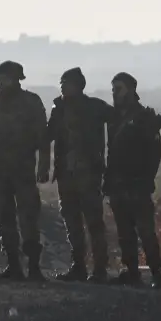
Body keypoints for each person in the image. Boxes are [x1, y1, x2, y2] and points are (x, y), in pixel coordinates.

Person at [0, 60, 51, 280]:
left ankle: (34, 267)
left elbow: (42, 137)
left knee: (29, 219)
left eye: (5, 79)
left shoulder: (31, 102)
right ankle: (13, 265)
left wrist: (43, 166)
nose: (0, 83)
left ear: (17, 80)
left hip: (24, 170)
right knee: (4, 219)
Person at [45, 66, 111, 282]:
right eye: (61, 83)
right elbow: (47, 135)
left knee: (94, 222)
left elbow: (118, 118)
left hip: (89, 173)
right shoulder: (59, 109)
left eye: (67, 83)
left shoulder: (95, 107)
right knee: (71, 222)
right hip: (66, 173)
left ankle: (99, 269)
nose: (63, 87)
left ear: (79, 86)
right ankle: (79, 266)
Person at [105, 71, 161, 288]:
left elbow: (155, 152)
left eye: (119, 89)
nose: (115, 93)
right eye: (113, 90)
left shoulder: (144, 118)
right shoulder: (115, 119)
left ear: (131, 90)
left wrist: (146, 179)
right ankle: (132, 272)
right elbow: (112, 153)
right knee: (125, 233)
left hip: (138, 185)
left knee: (146, 232)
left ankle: (157, 274)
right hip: (118, 184)